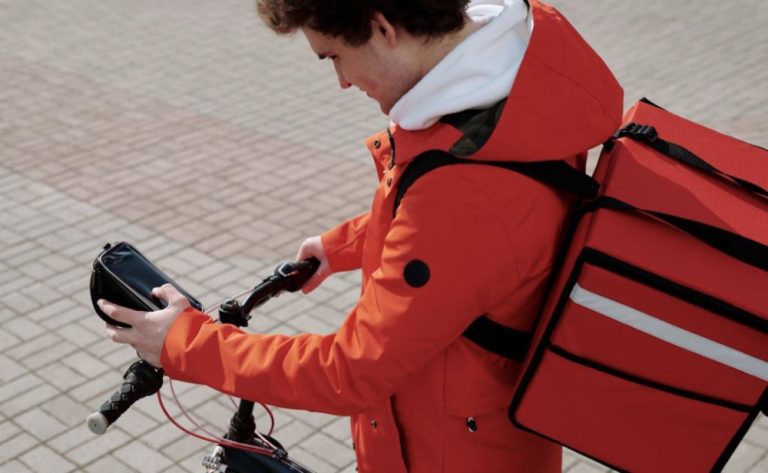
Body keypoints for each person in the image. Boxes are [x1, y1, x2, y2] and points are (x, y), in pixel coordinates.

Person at [100, 0, 623, 471]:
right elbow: (475, 238)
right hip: (479, 432)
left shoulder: (465, 185)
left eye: (333, 56)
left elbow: (350, 371)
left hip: (443, 454)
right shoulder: (513, 87)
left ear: (382, 28)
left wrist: (184, 344)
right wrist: (343, 246)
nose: (343, 82)